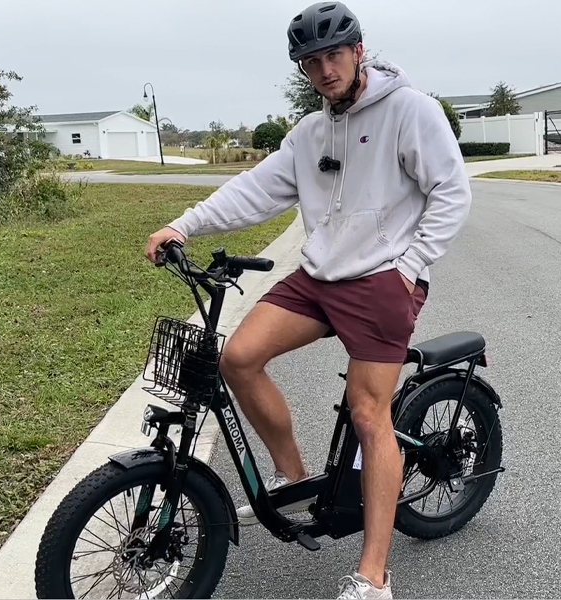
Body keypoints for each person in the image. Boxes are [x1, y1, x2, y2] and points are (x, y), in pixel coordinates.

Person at [145, 2, 472, 597]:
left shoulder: (410, 110)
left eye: (334, 55)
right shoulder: (309, 132)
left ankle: (374, 575)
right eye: (311, 62)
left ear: (359, 51)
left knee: (369, 414)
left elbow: (451, 191)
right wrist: (183, 225)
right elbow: (254, 190)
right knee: (238, 357)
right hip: (320, 277)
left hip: (382, 279)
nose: (325, 70)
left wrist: (410, 267)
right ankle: (292, 477)